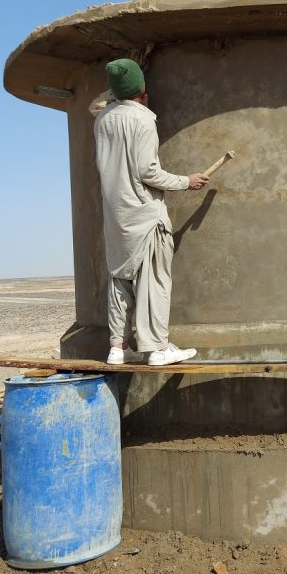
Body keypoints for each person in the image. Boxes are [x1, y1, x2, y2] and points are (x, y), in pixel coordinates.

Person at [94, 59, 210, 366]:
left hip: (116, 216)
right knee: (154, 280)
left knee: (120, 279)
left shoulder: (102, 118)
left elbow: (98, 103)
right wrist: (186, 182)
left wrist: (121, 90)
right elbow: (148, 171)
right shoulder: (143, 120)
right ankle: (158, 348)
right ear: (142, 89)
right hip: (145, 214)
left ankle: (118, 348)